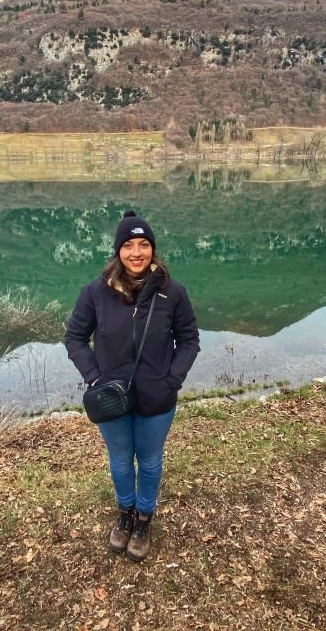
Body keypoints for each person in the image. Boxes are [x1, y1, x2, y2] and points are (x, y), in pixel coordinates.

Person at [64, 211, 200, 562]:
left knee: (150, 460)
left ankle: (144, 518)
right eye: (128, 245)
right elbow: (75, 338)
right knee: (121, 459)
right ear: (117, 251)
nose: (136, 252)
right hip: (111, 398)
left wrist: (173, 380)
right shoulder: (95, 292)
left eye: (143, 245)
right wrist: (94, 378)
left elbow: (189, 341)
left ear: (153, 250)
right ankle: (124, 514)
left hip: (158, 397)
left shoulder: (173, 293)